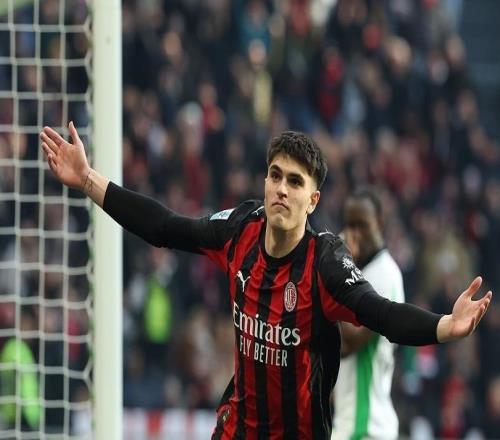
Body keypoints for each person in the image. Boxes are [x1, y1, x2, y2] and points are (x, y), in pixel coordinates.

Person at [40, 124, 492, 439]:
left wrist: (444, 326)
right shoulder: (240, 230)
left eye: (295, 182)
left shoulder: (325, 262)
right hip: (237, 428)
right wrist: (88, 180)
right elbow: (165, 227)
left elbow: (382, 314)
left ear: (312, 200)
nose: (281, 189)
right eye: (275, 175)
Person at [331, 189, 404, 440]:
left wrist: (341, 268)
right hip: (352, 423)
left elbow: (349, 342)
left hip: (366, 425)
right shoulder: (362, 274)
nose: (354, 234)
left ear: (379, 223)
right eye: (350, 225)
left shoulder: (384, 275)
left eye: (362, 225)